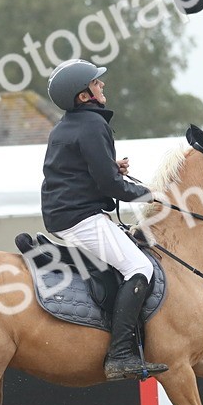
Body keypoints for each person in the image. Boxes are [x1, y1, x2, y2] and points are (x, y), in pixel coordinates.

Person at [41, 58, 166, 382]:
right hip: (80, 217)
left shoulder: (69, 125)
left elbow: (87, 171)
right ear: (84, 96)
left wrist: (113, 167)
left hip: (66, 213)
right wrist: (147, 194)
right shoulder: (93, 124)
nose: (102, 85)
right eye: (96, 83)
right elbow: (110, 186)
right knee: (140, 267)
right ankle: (120, 354)